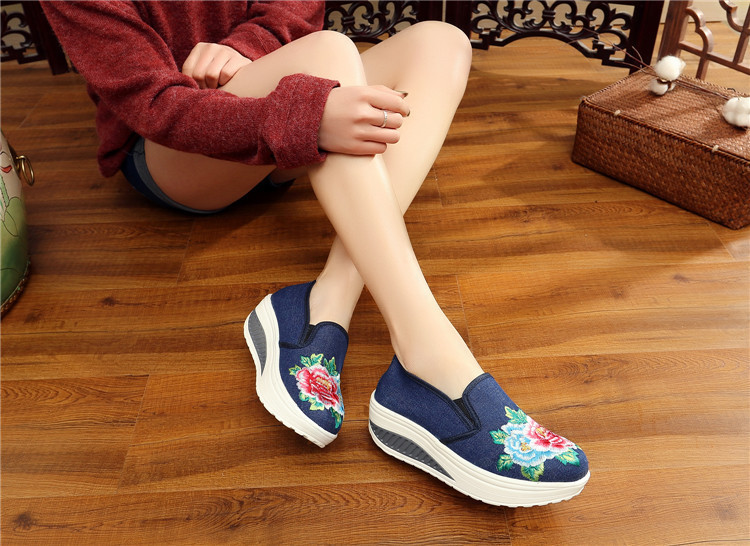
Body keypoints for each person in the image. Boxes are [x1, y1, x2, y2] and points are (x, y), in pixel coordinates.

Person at [41, 1, 589, 507]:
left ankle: (327, 302)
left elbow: (296, 7)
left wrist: (246, 49)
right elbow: (152, 105)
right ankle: (430, 356)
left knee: (441, 42)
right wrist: (300, 115)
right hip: (178, 151)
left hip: (278, 129)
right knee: (326, 51)